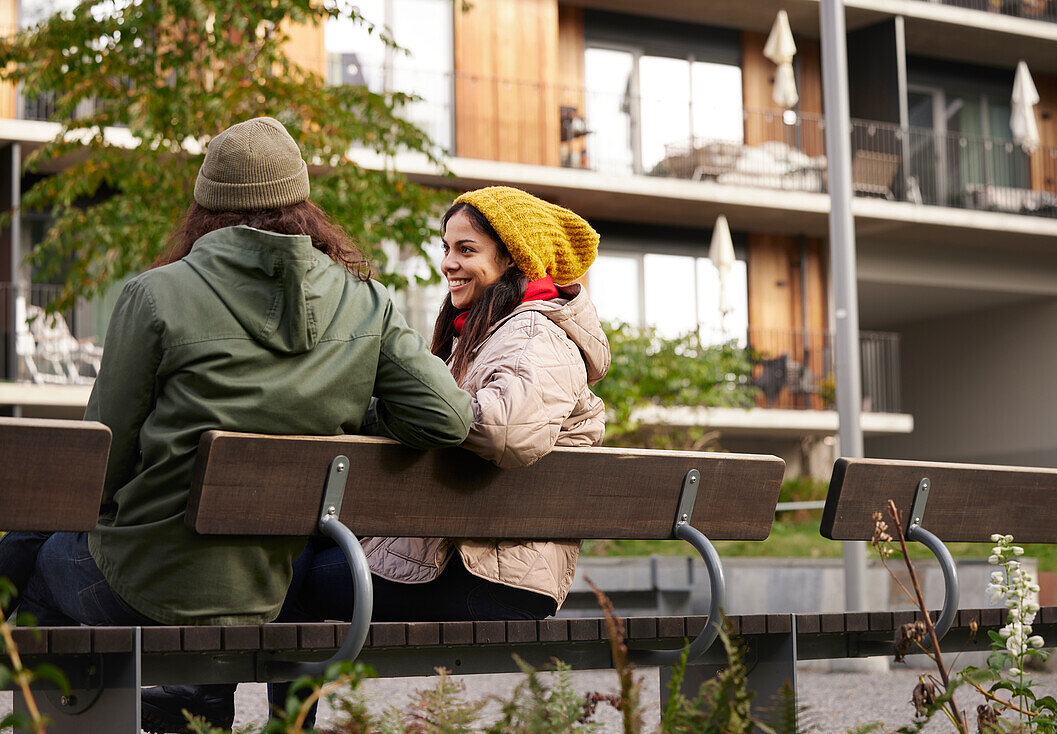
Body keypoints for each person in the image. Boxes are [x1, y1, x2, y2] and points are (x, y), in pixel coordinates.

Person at [13, 116, 473, 734]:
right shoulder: (367, 302)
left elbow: (100, 465)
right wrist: (361, 408)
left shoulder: (156, 295)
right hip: (266, 592)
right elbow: (445, 417)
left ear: (206, 204)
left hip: (141, 590)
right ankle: (196, 700)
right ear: (301, 203)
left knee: (40, 559)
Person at [269, 185, 610, 723]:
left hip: (484, 576)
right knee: (295, 556)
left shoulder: (535, 335)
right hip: (470, 567)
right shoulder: (490, 333)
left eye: (466, 250)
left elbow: (506, 431)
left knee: (283, 578)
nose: (448, 263)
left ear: (514, 257)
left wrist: (412, 407)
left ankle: (274, 724)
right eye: (446, 247)